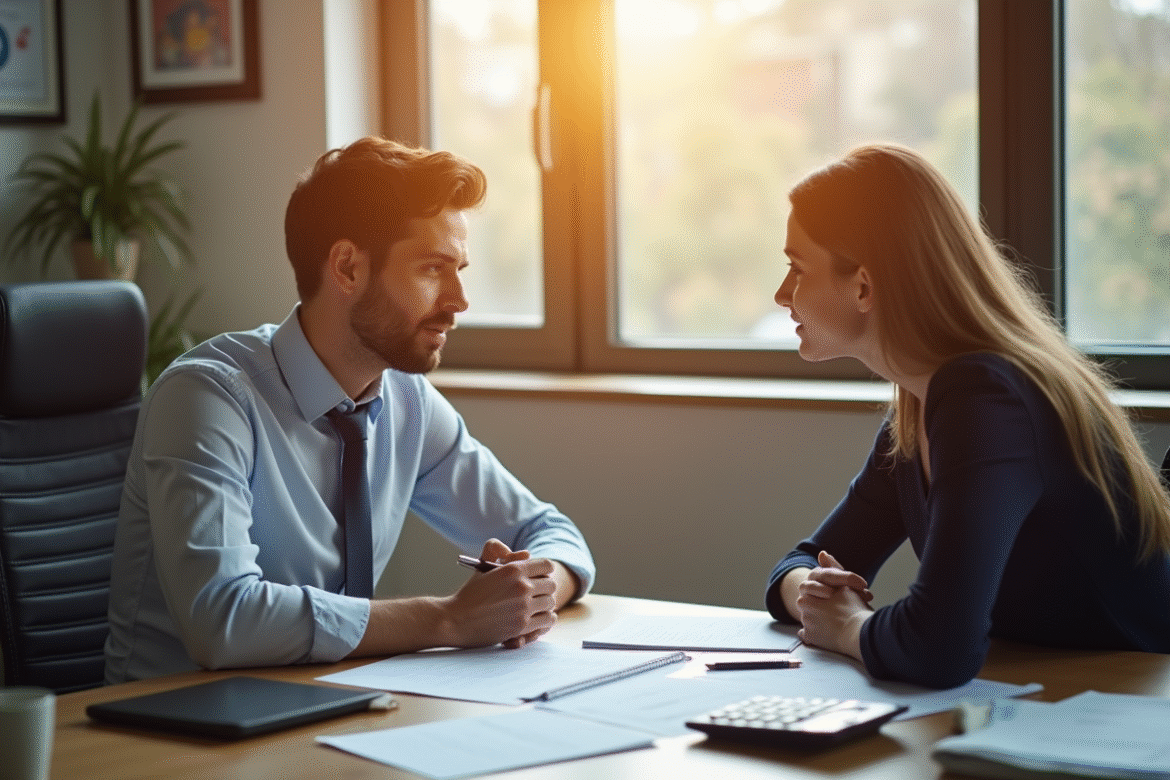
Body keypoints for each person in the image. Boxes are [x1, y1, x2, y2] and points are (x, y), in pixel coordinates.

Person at [105, 138, 595, 683]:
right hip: (167, 732)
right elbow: (222, 620)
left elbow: (548, 530)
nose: (459, 302)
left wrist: (529, 589)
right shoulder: (208, 397)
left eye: (460, 270)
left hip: (324, 709)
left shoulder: (407, 402)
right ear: (347, 268)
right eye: (434, 269)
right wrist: (449, 620)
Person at [765, 143, 1170, 689]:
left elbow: (939, 647)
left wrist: (846, 627)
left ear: (862, 285)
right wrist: (812, 592)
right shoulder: (919, 406)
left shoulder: (986, 399)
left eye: (797, 268)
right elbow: (800, 560)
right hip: (1054, 697)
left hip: (1136, 704)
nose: (781, 294)